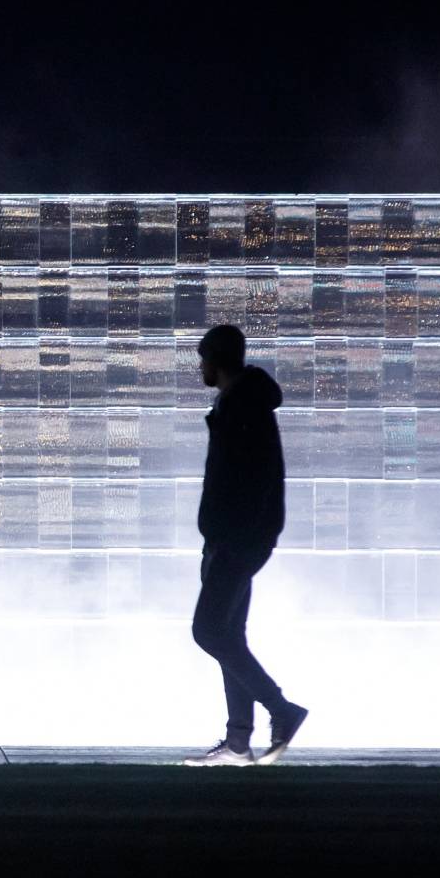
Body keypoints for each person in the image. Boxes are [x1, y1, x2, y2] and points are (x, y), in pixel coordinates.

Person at [183, 325, 309, 767]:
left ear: (216, 359)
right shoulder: (243, 403)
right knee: (228, 635)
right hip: (235, 536)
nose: (200, 367)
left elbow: (244, 479)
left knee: (210, 630)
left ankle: (281, 709)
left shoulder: (243, 407)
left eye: (203, 359)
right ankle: (239, 740)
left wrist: (226, 535)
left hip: (236, 537)